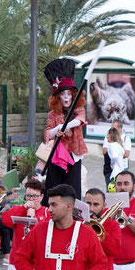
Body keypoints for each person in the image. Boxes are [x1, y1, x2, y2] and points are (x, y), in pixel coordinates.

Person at [42, 59, 88, 206]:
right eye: (63, 94)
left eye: (69, 93)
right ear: (58, 97)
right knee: (53, 187)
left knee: (72, 188)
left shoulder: (78, 109)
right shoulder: (52, 114)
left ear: (73, 95)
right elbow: (48, 134)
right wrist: (57, 129)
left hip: (73, 155)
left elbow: (80, 120)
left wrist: (65, 125)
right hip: (57, 155)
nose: (66, 97)